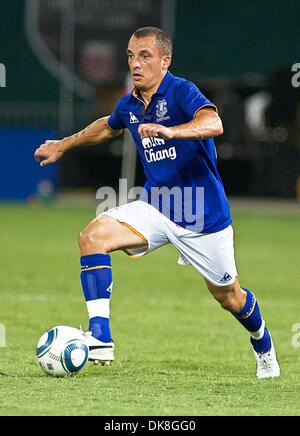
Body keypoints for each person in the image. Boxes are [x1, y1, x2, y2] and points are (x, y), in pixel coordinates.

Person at [34, 27, 280, 378]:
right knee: (92, 236)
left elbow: (214, 122)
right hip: (157, 205)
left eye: (145, 56)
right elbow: (109, 125)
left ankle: (263, 342)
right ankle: (100, 336)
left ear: (165, 61)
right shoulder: (130, 103)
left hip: (201, 215)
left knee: (230, 298)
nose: (136, 64)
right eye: (131, 56)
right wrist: (64, 144)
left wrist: (173, 131)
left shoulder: (181, 91)